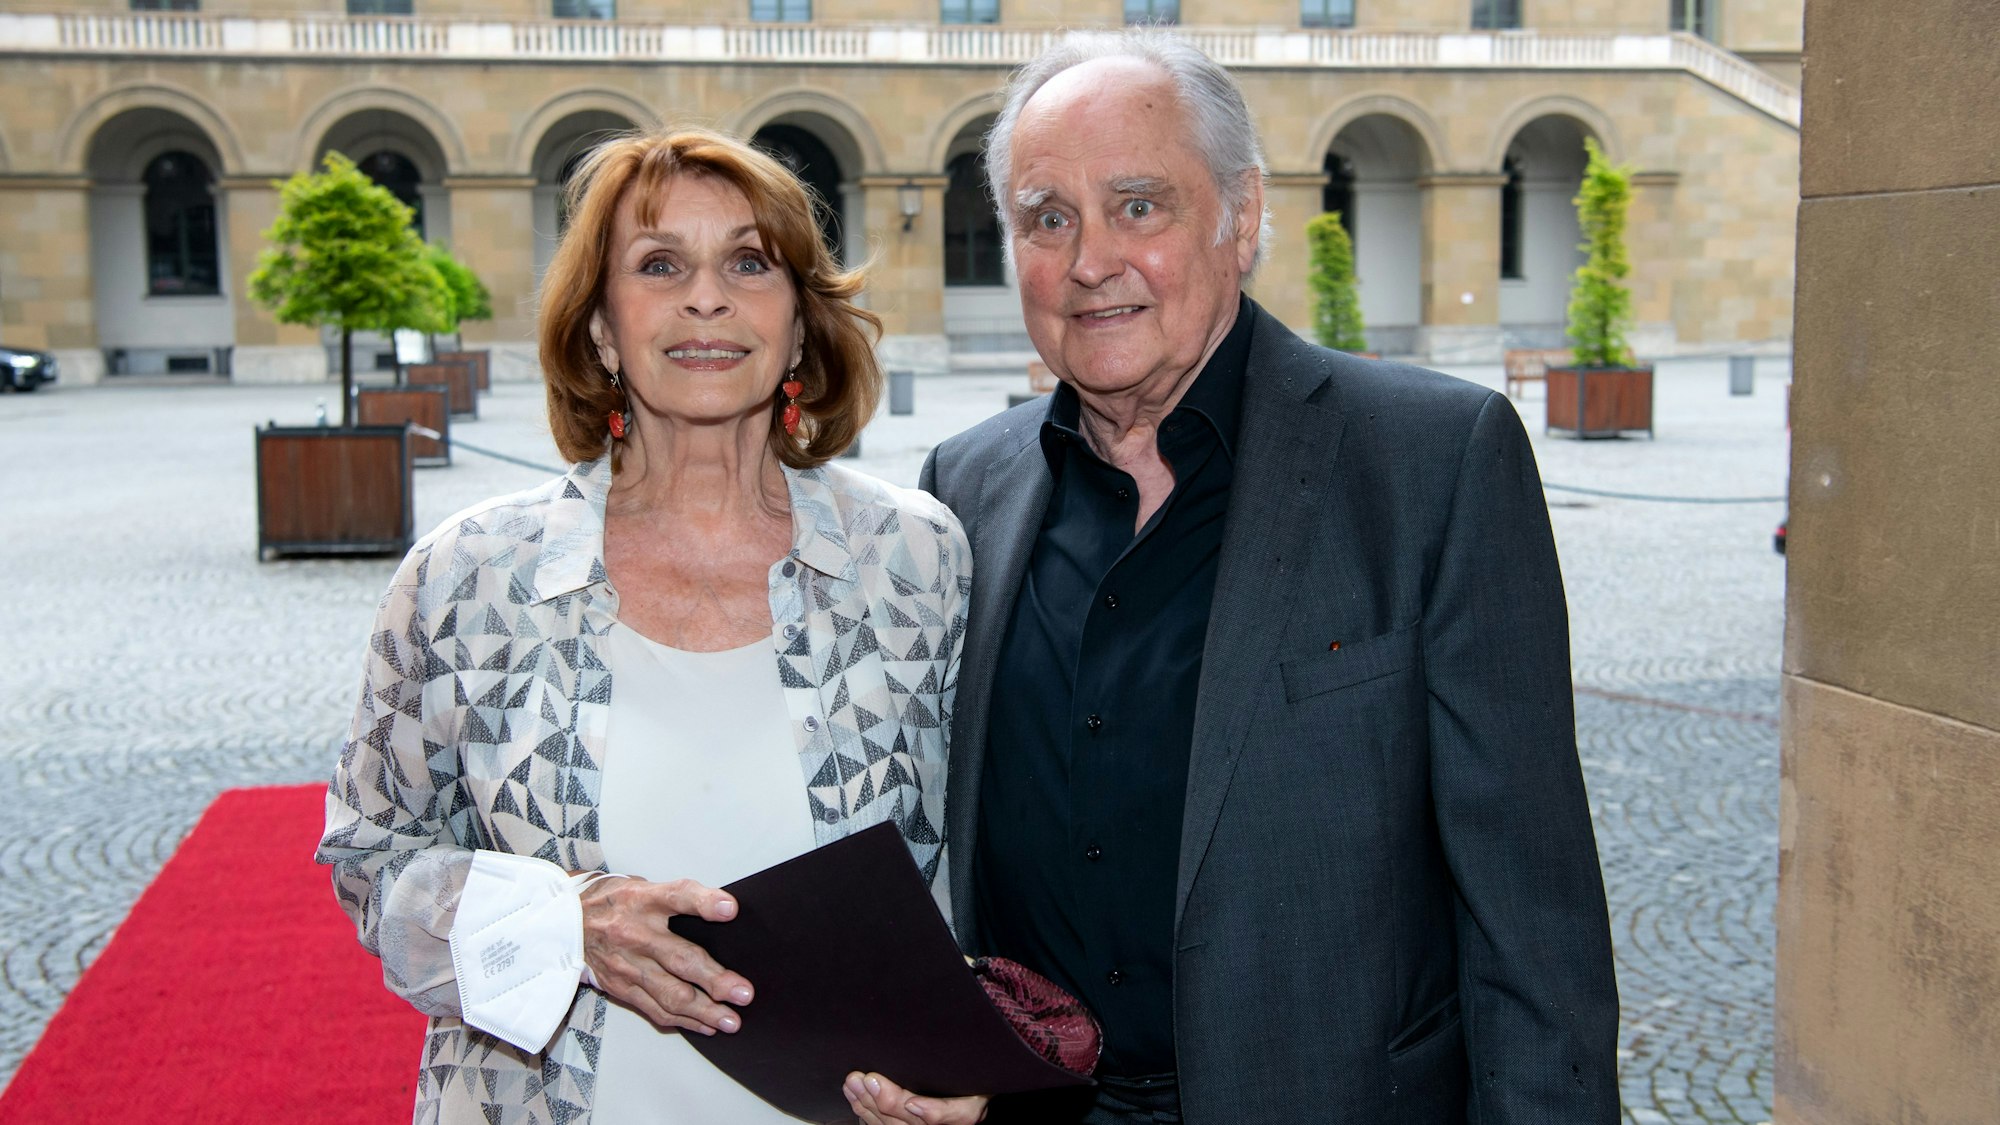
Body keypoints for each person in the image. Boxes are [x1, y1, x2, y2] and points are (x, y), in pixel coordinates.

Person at [856, 29, 1619, 1125]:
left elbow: (1530, 915)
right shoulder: (964, 489)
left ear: (1243, 215)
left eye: (1138, 206)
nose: (1089, 261)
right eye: (1047, 219)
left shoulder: (1431, 463)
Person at [316, 127, 971, 1124]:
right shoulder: (466, 578)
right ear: (601, 330)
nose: (706, 298)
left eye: (749, 263)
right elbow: (373, 861)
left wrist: (975, 1056)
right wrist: (560, 924)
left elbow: (983, 868)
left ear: (800, 326)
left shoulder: (918, 561)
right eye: (659, 264)